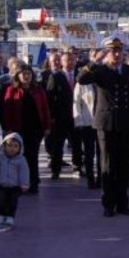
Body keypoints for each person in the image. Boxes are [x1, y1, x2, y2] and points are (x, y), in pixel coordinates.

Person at [78, 37, 129, 217]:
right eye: (112, 51)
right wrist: (94, 61)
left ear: (123, 52)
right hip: (106, 123)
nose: (116, 54)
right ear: (107, 53)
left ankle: (123, 203)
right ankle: (108, 204)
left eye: (119, 51)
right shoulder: (100, 70)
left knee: (124, 164)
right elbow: (81, 79)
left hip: (126, 124)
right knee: (107, 165)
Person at [0, 65, 53, 194]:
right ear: (18, 76)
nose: (26, 76)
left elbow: (45, 109)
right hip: (18, 129)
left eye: (28, 73)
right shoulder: (11, 90)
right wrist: (7, 129)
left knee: (32, 157)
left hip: (35, 129)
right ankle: (18, 184)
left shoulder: (38, 89)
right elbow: (7, 111)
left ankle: (33, 183)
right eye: (23, 74)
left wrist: (47, 126)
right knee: (18, 157)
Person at [44, 51, 78, 180]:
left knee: (76, 144)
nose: (70, 63)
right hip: (60, 118)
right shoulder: (56, 77)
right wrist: (51, 117)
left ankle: (77, 166)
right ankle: (55, 170)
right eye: (67, 60)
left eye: (72, 60)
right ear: (62, 62)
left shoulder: (79, 76)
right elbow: (50, 98)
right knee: (58, 146)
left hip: (77, 117)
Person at [0, 133, 30, 228]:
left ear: (20, 148)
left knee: (12, 202)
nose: (12, 148)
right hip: (1, 185)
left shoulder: (21, 160)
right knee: (1, 201)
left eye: (15, 146)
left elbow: (24, 172)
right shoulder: (1, 157)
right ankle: (1, 215)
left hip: (15, 187)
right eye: (10, 145)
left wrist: (24, 184)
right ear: (4, 146)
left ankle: (10, 216)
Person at [73, 65, 100, 189]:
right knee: (89, 152)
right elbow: (76, 102)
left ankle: (101, 177)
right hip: (87, 122)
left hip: (102, 121)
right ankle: (90, 178)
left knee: (102, 153)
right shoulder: (81, 83)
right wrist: (78, 120)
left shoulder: (101, 81)